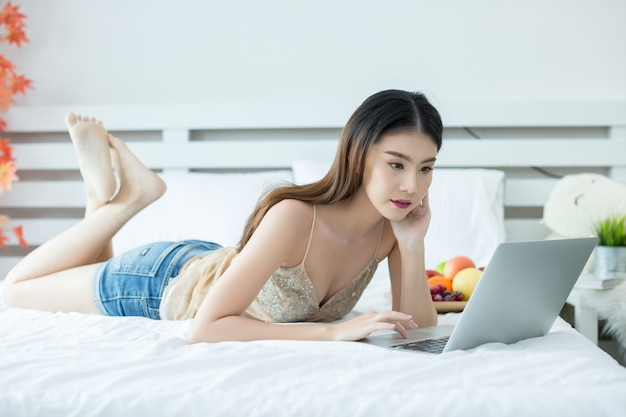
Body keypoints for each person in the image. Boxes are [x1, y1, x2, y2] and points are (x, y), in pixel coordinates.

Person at [3, 89, 443, 343]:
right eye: (396, 164)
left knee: (71, 275)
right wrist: (331, 334)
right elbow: (205, 327)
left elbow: (419, 330)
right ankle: (128, 201)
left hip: (214, 264)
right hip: (160, 283)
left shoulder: (392, 230)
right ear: (360, 153)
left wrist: (412, 243)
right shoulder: (294, 217)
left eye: (426, 168)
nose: (412, 186)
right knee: (15, 291)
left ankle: (102, 199)